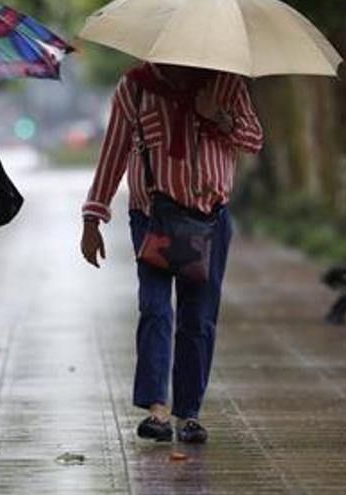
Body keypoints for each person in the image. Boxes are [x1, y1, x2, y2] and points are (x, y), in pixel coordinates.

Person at [80, 63, 263, 443]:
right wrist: (93, 217)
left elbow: (253, 140)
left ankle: (189, 414)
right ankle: (156, 410)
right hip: (154, 218)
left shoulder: (225, 81)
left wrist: (219, 117)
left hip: (209, 221)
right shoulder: (137, 85)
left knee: (199, 317)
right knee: (155, 308)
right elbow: (114, 150)